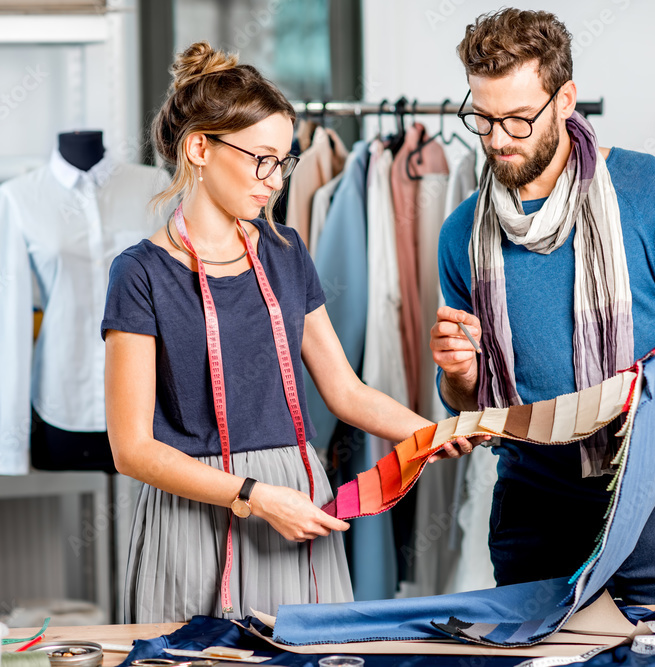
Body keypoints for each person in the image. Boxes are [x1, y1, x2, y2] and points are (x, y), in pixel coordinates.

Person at [102, 42, 477, 623]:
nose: (274, 181)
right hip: (198, 512)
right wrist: (252, 496)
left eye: (284, 162)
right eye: (262, 159)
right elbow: (132, 449)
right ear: (199, 147)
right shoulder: (141, 273)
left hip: (298, 503)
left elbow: (345, 391)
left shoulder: (286, 253)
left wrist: (431, 432)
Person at [430, 9, 655, 605]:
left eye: (518, 119)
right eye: (482, 119)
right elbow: (468, 400)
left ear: (565, 100)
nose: (499, 139)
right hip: (534, 516)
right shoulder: (461, 235)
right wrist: (456, 375)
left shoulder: (651, 191)